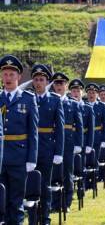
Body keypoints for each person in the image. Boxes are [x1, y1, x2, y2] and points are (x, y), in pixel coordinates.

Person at [0, 55, 39, 224]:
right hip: (0, 158)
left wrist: (31, 159)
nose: (8, 78)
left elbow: (33, 131)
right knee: (1, 203)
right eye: (5, 74)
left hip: (19, 158)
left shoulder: (28, 99)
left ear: (19, 77)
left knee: (16, 203)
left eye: (11, 75)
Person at [29, 64, 64, 225]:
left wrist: (58, 152)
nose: (38, 83)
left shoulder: (55, 100)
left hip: (47, 147)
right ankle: (31, 217)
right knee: (29, 184)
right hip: (29, 148)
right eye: (35, 79)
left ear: (47, 82)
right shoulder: (27, 98)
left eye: (41, 80)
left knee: (45, 185)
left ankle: (46, 217)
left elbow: (60, 128)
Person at [51, 72, 83, 211]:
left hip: (68, 143)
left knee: (67, 173)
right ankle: (53, 202)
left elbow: (79, 126)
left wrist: (78, 144)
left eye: (61, 84)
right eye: (56, 84)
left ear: (66, 86)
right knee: (53, 173)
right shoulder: (49, 101)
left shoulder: (73, 104)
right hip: (52, 142)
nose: (59, 86)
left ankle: (66, 203)